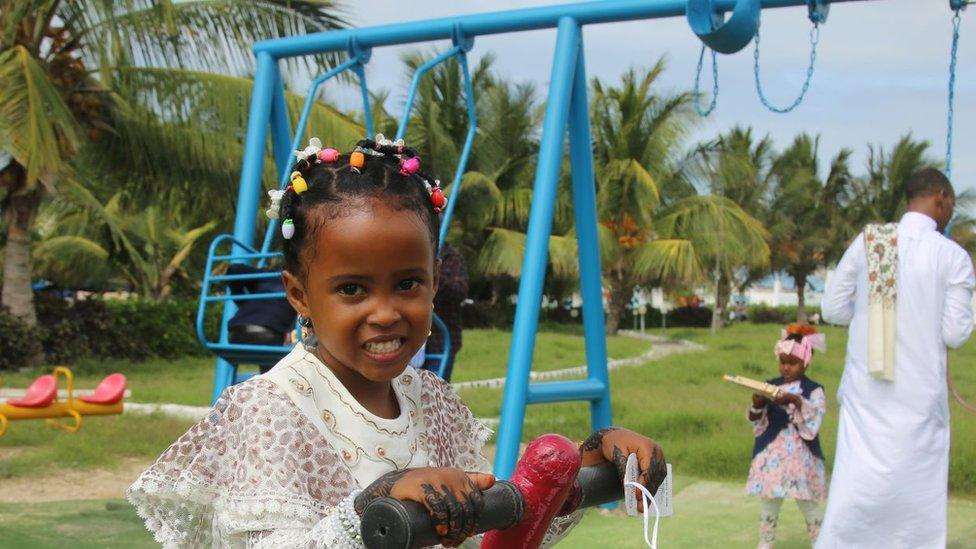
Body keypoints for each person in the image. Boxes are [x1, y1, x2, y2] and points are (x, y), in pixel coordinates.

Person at [127, 136, 668, 548]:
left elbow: (490, 532)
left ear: (434, 279)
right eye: (352, 290)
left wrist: (581, 463)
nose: (385, 313)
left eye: (408, 283)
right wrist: (373, 503)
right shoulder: (271, 410)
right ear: (299, 295)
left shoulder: (432, 402)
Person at [817, 168, 975, 548]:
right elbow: (955, 333)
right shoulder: (951, 256)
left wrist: (874, 312)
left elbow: (833, 310)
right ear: (941, 198)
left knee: (857, 486)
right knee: (916, 497)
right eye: (951, 204)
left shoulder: (870, 241)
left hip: (868, 393)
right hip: (920, 398)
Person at [746, 324, 827, 548]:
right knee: (770, 503)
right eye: (783, 362)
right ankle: (765, 544)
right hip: (774, 455)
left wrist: (796, 401)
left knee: (808, 503)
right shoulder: (770, 385)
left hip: (802, 458)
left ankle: (822, 542)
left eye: (793, 363)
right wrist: (758, 404)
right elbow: (756, 420)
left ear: (805, 362)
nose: (786, 368)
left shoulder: (814, 390)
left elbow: (814, 420)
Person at [226, 263, 297, 373]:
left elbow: (234, 268)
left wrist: (242, 302)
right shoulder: (299, 283)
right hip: (268, 335)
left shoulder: (266, 276)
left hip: (234, 335)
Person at [425, 243, 469, 380]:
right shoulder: (411, 251)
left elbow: (460, 290)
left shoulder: (452, 258)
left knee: (433, 394)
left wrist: (434, 276)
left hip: (439, 341)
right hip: (412, 343)